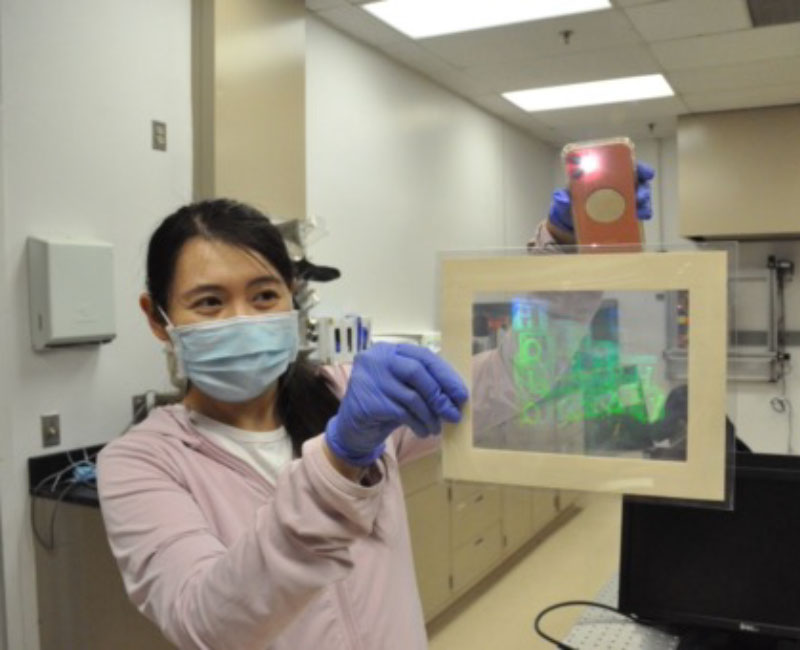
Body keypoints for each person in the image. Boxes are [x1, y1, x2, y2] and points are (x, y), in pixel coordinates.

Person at [99, 165, 654, 650]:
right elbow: (211, 624)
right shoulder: (140, 465)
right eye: (210, 302)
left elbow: (517, 375)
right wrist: (339, 459)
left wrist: (563, 252)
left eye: (264, 295)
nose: (242, 318)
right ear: (158, 319)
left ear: (292, 298)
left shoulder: (340, 394)